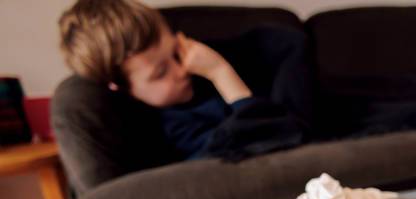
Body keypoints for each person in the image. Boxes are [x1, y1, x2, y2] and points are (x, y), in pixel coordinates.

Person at [58, 0, 308, 160]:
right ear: (120, 88)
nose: (182, 70)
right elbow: (274, 141)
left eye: (176, 52)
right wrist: (222, 74)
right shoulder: (167, 129)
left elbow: (288, 41)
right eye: (160, 73)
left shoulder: (203, 63)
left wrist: (218, 66)